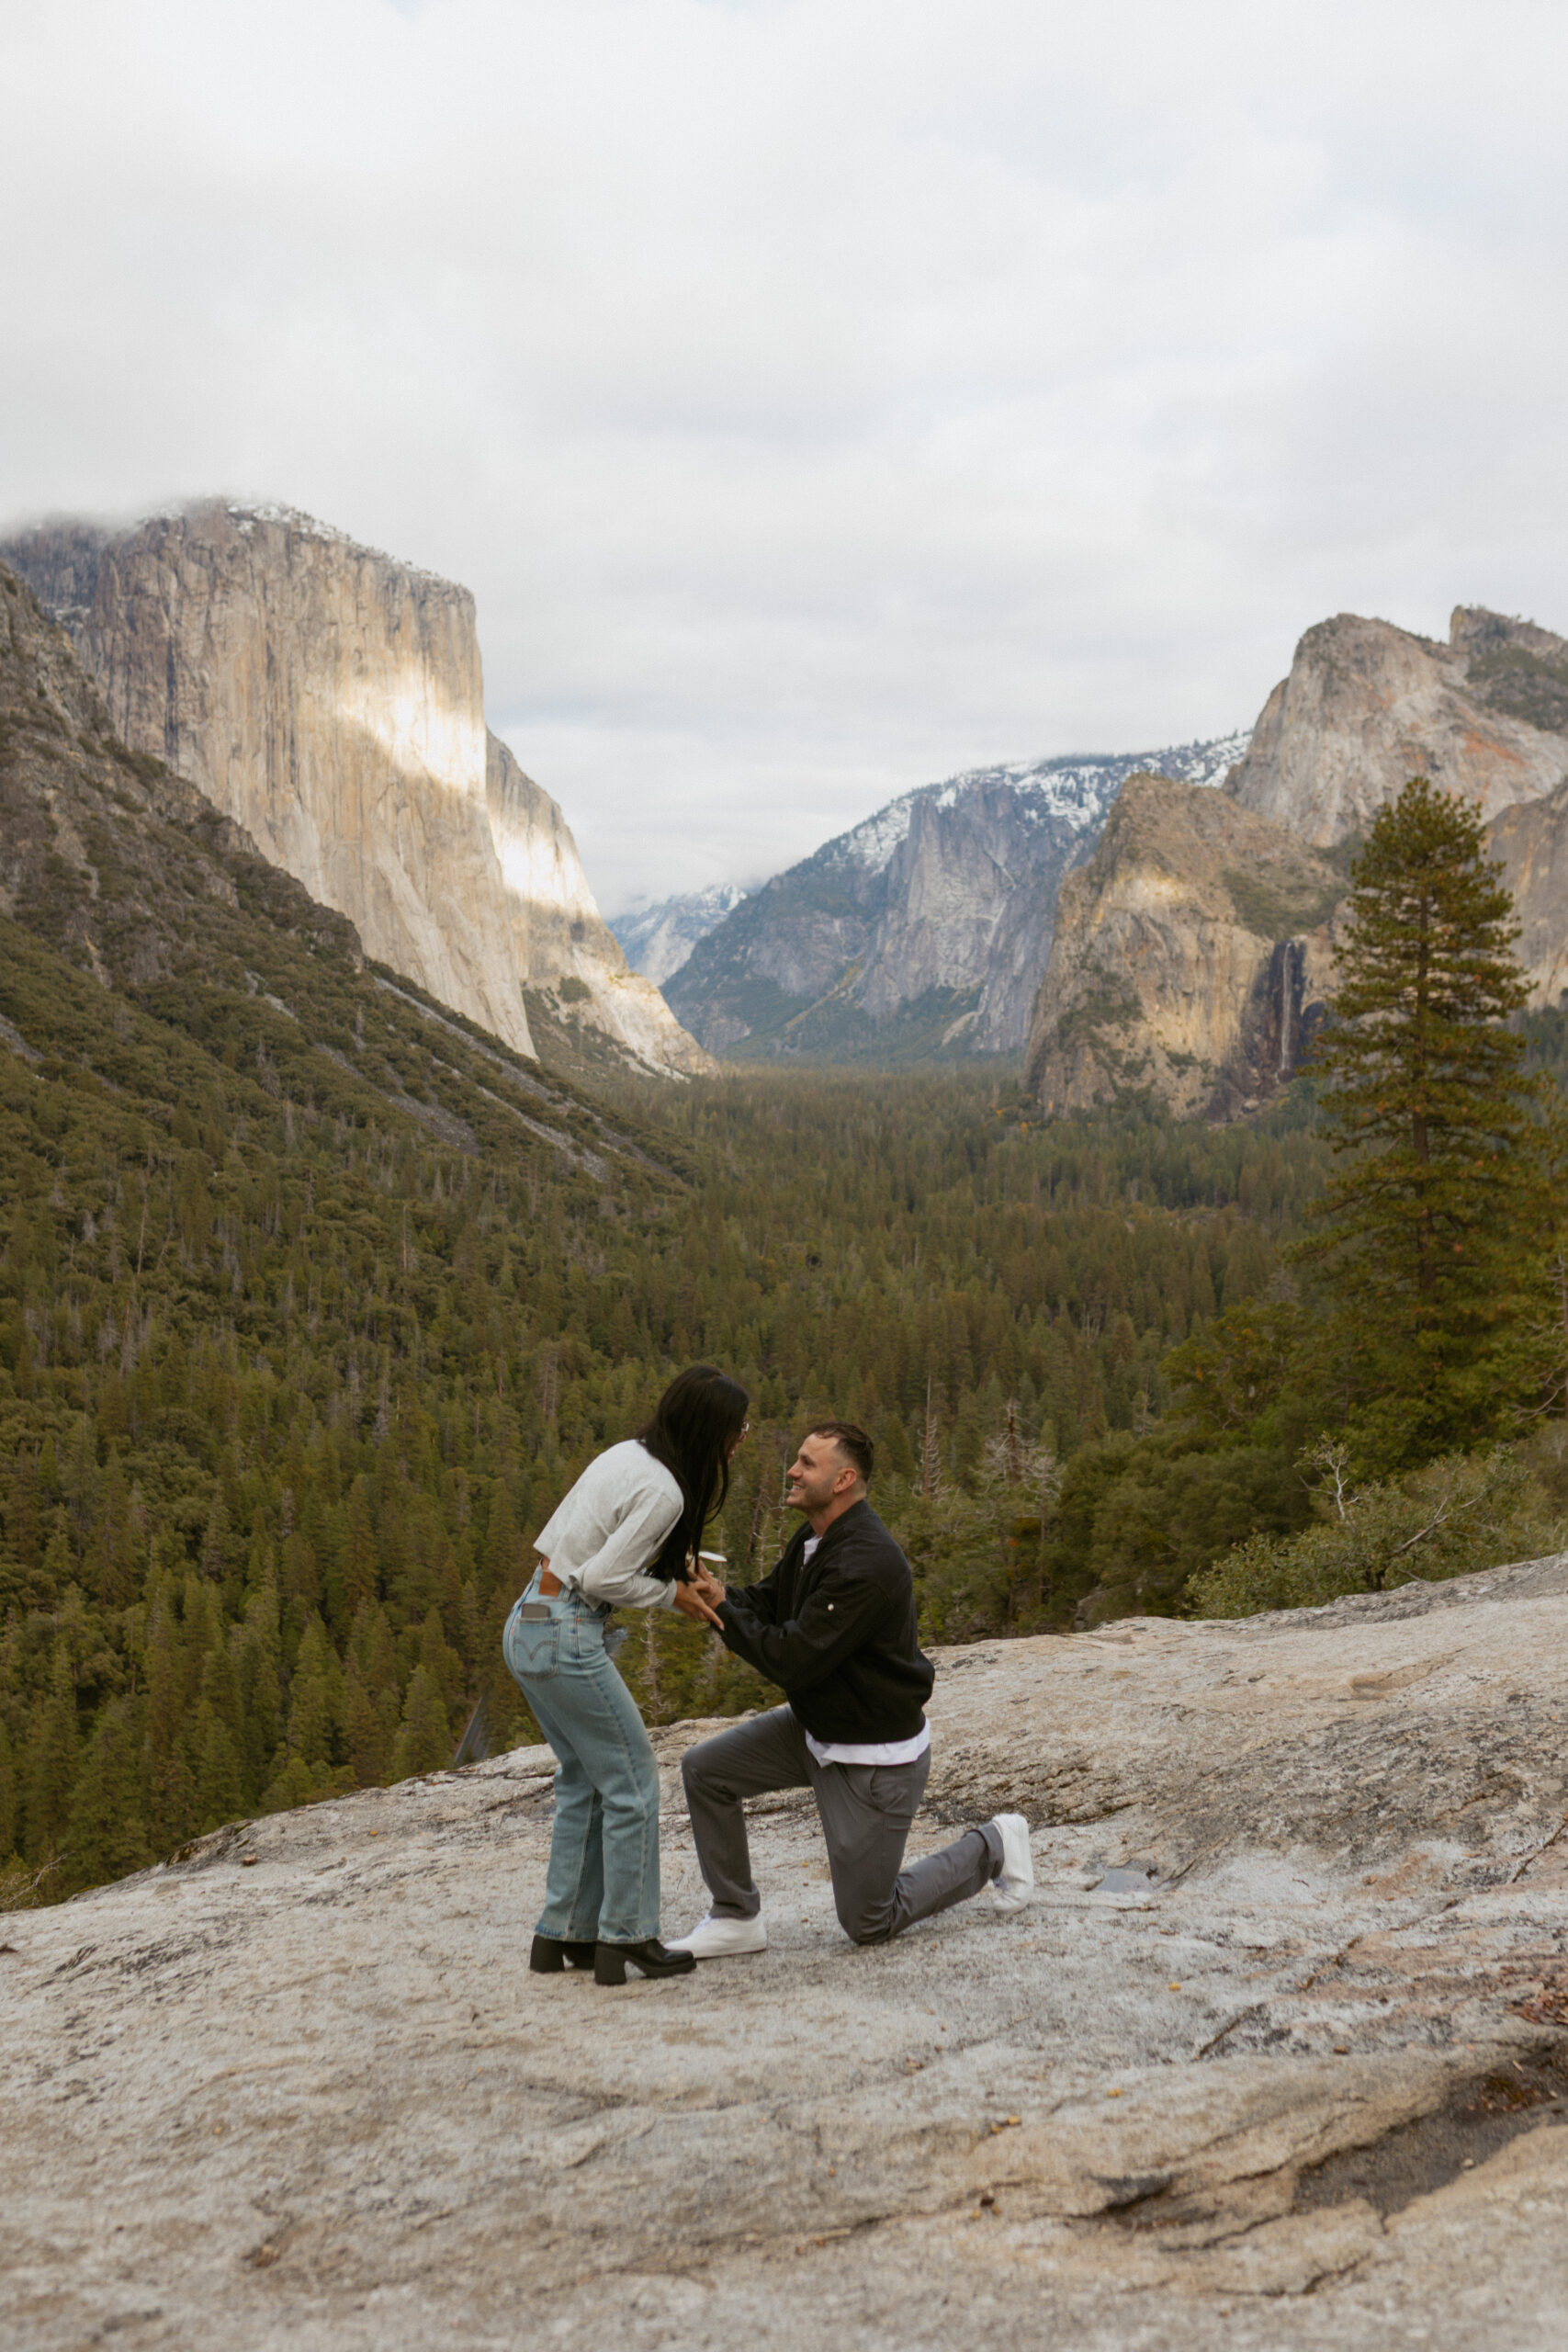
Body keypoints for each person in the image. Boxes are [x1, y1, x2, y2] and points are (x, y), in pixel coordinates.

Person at [668, 1420, 1032, 1959]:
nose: (792, 1470)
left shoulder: (866, 1562)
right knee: (706, 1771)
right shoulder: (817, 1537)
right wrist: (719, 1595)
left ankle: (995, 1844)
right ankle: (736, 1916)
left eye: (806, 1464)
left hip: (872, 1758)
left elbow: (793, 1660)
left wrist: (722, 1611)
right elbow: (770, 1604)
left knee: (868, 1920)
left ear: (844, 1479)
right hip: (818, 1726)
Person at [503, 1364, 749, 1985]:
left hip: (531, 1612)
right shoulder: (666, 1490)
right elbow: (604, 1578)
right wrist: (674, 1596)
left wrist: (674, 1568)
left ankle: (564, 1934)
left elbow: (572, 1547)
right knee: (634, 1780)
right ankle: (628, 1936)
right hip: (568, 1624)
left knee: (584, 1778)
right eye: (734, 1427)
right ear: (707, 1429)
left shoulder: (627, 1455)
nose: (741, 1437)